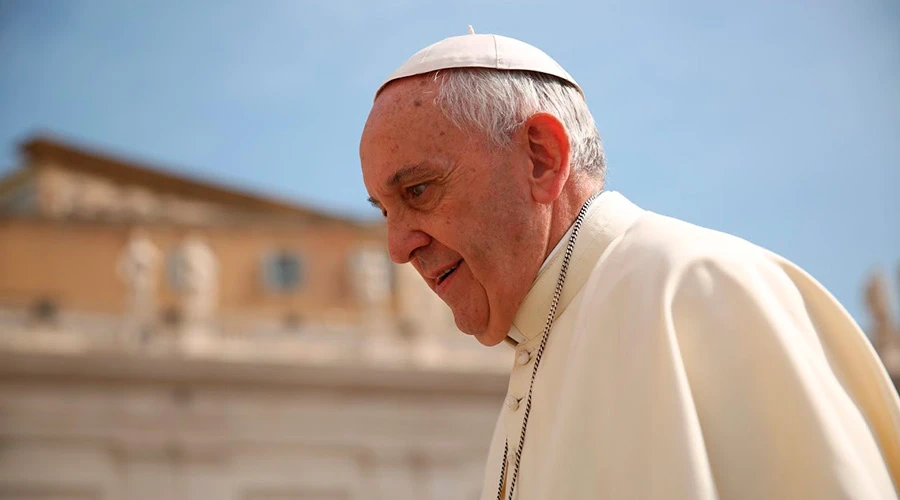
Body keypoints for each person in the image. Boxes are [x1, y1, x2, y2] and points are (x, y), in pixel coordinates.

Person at [359, 29, 900, 500]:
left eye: (419, 190)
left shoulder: (698, 288)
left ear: (542, 158)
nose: (397, 247)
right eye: (384, 211)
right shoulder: (538, 354)